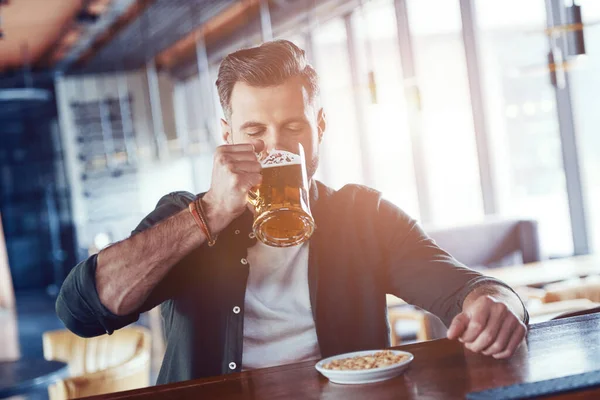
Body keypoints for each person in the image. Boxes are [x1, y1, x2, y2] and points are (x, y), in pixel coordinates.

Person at [56, 40, 528, 385]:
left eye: (293, 126)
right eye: (255, 131)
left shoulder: (364, 215)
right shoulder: (187, 215)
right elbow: (81, 310)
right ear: (228, 135)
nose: (276, 148)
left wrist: (500, 307)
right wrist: (211, 213)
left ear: (319, 127)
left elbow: (468, 288)